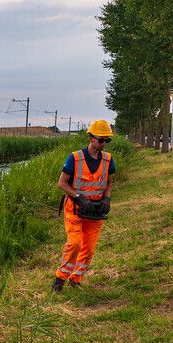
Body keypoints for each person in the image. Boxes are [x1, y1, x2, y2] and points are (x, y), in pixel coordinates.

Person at [52, 120, 115, 292]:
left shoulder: (108, 160)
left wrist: (107, 199)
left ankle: (76, 278)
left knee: (88, 248)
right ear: (91, 138)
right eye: (101, 140)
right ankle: (59, 279)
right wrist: (79, 198)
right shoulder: (74, 158)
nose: (103, 144)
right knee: (75, 243)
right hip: (75, 209)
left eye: (107, 140)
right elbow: (62, 183)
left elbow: (109, 182)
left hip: (95, 212)